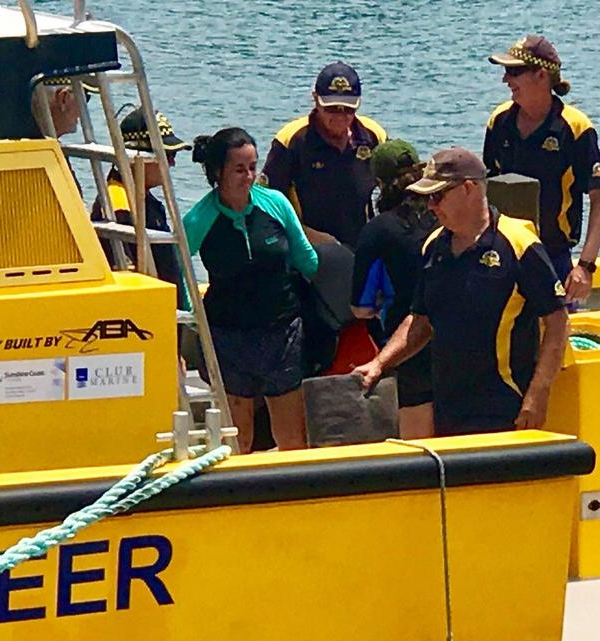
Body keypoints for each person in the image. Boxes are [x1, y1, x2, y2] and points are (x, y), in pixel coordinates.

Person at [353, 147, 568, 436]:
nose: (431, 206)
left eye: (437, 196)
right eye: (427, 198)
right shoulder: (434, 246)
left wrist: (538, 393)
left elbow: (557, 322)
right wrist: (380, 364)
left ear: (468, 189)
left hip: (504, 405)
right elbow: (420, 321)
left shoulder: (518, 245)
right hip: (447, 407)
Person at [183, 127, 318, 452]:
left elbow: (307, 260)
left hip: (282, 332)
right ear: (218, 173)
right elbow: (178, 269)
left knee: (292, 439)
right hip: (229, 337)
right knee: (239, 439)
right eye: (239, 170)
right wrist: (191, 315)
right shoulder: (200, 217)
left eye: (253, 167)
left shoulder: (275, 204)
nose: (249, 176)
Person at [484, 34, 600, 303]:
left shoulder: (575, 128)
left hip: (554, 255)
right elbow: (486, 187)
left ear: (541, 76)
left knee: (554, 339)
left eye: (514, 71)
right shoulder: (499, 121)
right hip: (503, 252)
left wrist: (586, 266)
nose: (505, 80)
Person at [351, 139, 437, 439]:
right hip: (455, 342)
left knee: (419, 445)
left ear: (378, 183)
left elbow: (361, 308)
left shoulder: (378, 230)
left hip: (407, 346)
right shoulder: (443, 216)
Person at [261, 61, 387, 250]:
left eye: (348, 109)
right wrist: (308, 236)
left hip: (361, 247)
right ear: (315, 100)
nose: (340, 116)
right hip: (307, 250)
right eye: (332, 108)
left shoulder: (373, 136)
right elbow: (265, 204)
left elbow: (396, 192)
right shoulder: (292, 140)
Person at [90, 105, 189, 292]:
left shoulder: (142, 196)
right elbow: (125, 276)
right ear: (137, 156)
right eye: (168, 155)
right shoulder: (117, 207)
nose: (172, 163)